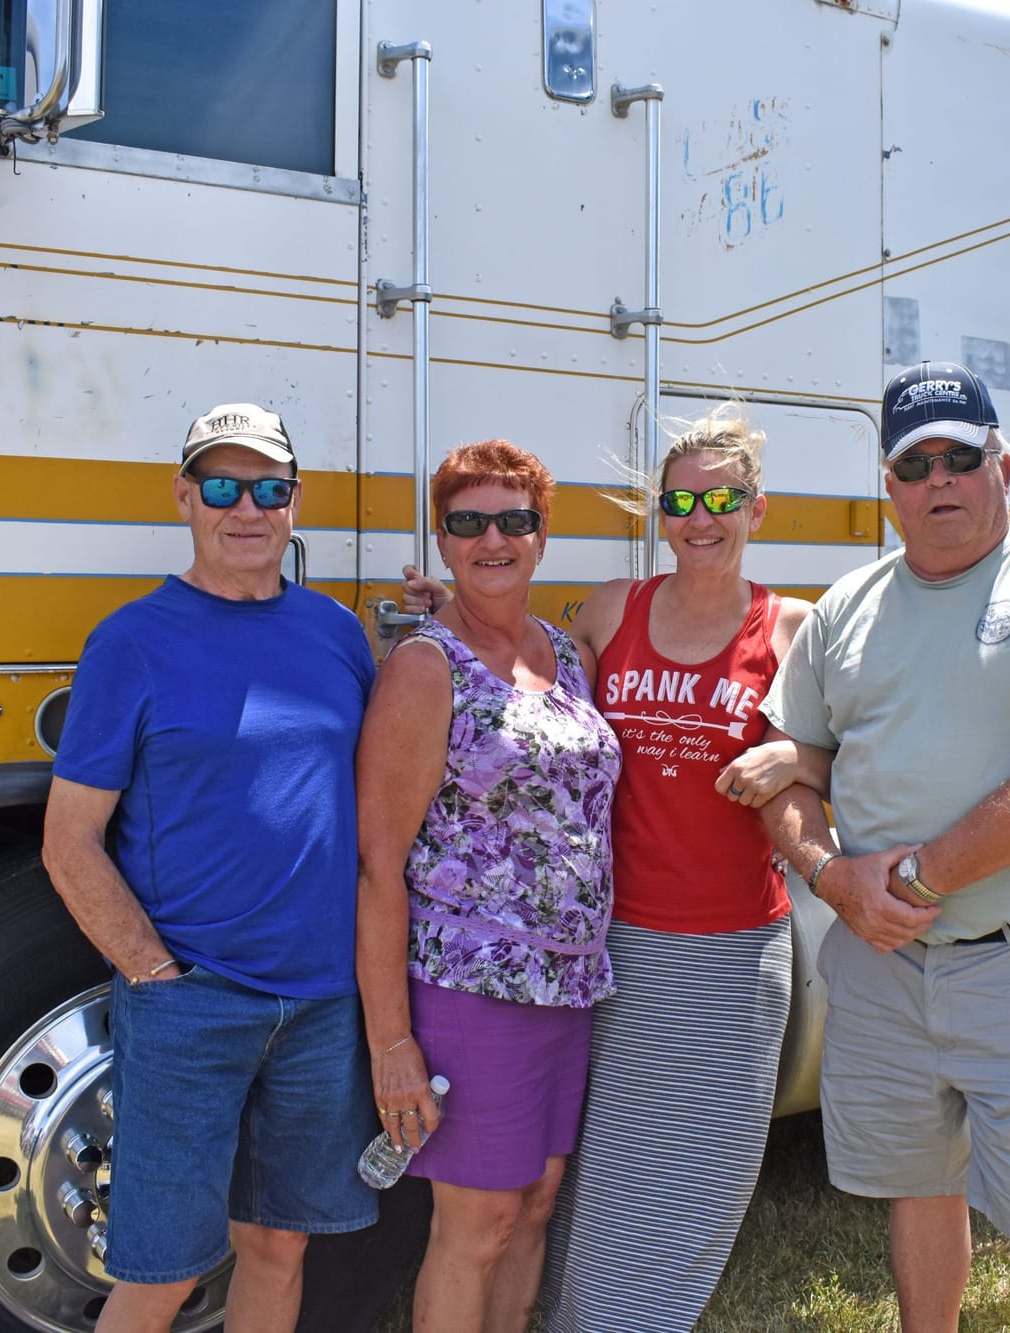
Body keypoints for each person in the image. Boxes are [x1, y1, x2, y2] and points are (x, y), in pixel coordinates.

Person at [400, 405, 819, 1332]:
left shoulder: (794, 628)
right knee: (583, 1178)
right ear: (658, 512)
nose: (699, 517)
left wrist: (796, 760)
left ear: (758, 507)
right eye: (680, 499)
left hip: (729, 954)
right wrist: (459, 617)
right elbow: (537, 699)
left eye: (722, 497)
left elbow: (854, 750)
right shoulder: (611, 608)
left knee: (686, 1178)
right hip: (610, 951)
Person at [758, 361, 1010, 1333]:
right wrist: (829, 877)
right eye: (914, 463)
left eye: (959, 457)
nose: (939, 479)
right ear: (886, 486)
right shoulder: (842, 607)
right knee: (916, 1188)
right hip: (881, 967)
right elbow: (786, 779)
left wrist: (913, 878)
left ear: (1001, 464)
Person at [42, 404, 378, 1333]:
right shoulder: (132, 640)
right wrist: (155, 975)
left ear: (294, 504)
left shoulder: (338, 634)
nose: (247, 508)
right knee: (161, 1273)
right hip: (194, 1001)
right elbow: (69, 839)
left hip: (322, 1004)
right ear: (185, 497)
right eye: (222, 486)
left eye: (269, 488)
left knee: (277, 1245)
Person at [355, 440, 622, 1333]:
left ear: (544, 533)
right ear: (443, 538)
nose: (493, 538)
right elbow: (377, 864)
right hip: (473, 990)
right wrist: (392, 1040)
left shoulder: (566, 653)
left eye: (514, 519)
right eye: (469, 522)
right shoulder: (427, 669)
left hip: (570, 985)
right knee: (476, 1225)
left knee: (535, 1205)